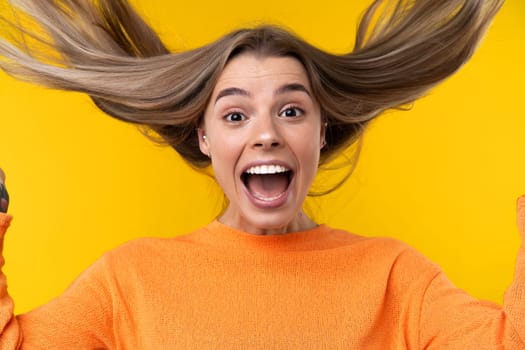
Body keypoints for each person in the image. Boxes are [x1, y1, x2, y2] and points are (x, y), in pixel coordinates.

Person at [0, 0, 522, 348]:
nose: (267, 133)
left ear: (321, 132)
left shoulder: (395, 277)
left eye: (292, 110)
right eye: (234, 115)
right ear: (205, 138)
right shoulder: (128, 280)